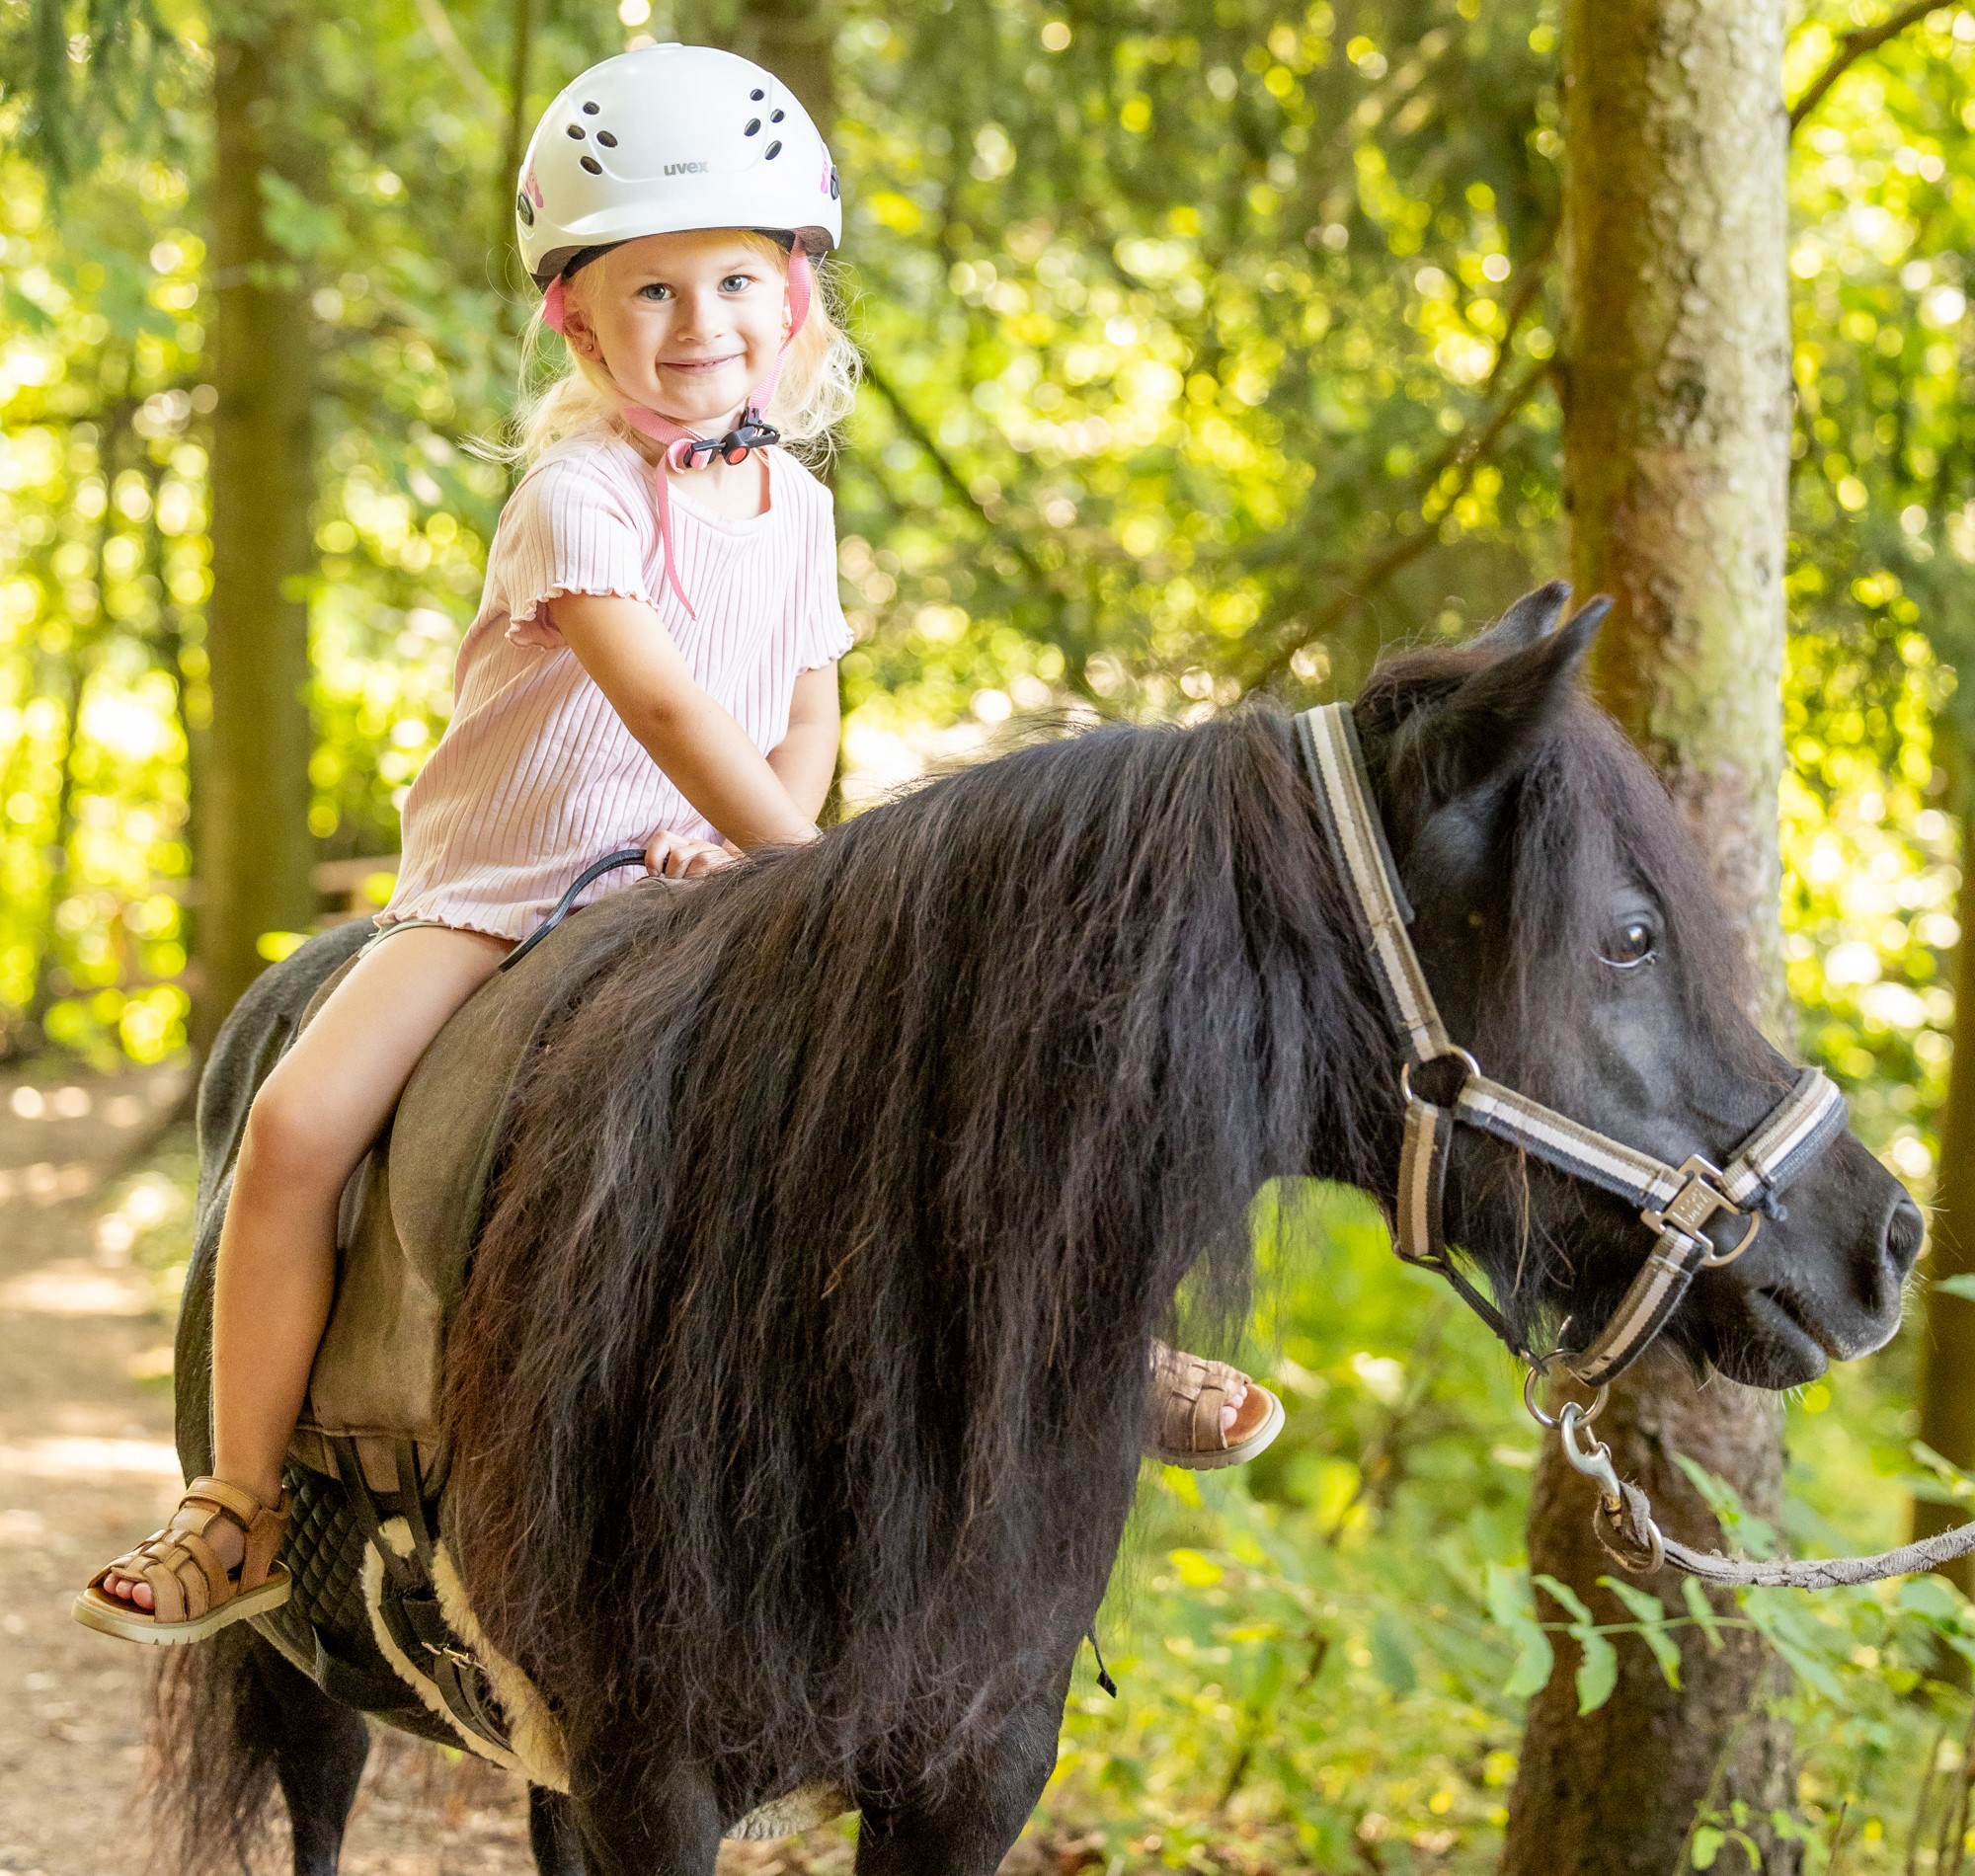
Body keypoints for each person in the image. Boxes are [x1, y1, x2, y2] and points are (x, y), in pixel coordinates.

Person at [73, 43, 1280, 1648]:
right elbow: (661, 713)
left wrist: (780, 856)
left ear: (793, 298)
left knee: (929, 1074)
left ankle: (1088, 1346)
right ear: (575, 314)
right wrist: (819, 874)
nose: (697, 325)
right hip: (502, 888)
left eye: (732, 281)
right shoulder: (575, 495)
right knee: (295, 1132)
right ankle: (238, 1503)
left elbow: (798, 712)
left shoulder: (798, 505)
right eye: (648, 292)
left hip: (712, 865)